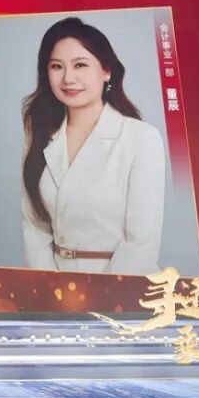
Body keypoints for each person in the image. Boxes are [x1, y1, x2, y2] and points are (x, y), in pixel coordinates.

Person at [21, 17, 165, 275]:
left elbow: (141, 244)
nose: (68, 78)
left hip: (121, 285)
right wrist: (49, 287)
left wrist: (104, 294)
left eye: (80, 65)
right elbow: (34, 227)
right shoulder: (40, 135)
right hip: (55, 286)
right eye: (56, 66)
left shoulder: (140, 138)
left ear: (106, 71)